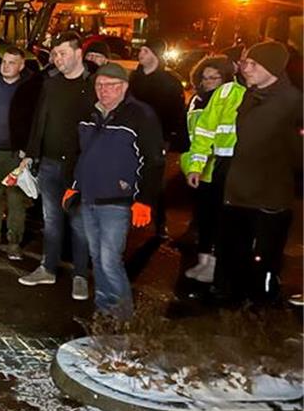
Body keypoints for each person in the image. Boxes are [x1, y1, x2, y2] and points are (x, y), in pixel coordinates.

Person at [71, 63, 164, 319]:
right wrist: (75, 186)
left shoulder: (139, 115)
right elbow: (82, 155)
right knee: (97, 257)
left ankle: (123, 315)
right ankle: (104, 308)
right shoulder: (90, 114)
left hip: (118, 200)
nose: (104, 91)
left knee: (110, 259)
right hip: (90, 196)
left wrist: (144, 200)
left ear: (124, 87)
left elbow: (153, 160)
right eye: (100, 85)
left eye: (110, 86)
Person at [212, 41, 302, 305]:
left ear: (272, 67)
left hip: (269, 196)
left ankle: (261, 305)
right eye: (245, 62)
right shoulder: (250, 96)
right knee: (232, 249)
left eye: (253, 63)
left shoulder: (294, 102)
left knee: (263, 255)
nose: (245, 68)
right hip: (238, 192)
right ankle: (230, 297)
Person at [18, 34, 95, 300]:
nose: (57, 59)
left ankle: (80, 276)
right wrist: (31, 153)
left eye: (62, 53)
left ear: (78, 53)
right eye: (55, 54)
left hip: (81, 167)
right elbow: (40, 118)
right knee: (51, 220)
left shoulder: (95, 85)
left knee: (79, 223)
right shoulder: (51, 84)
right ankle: (47, 268)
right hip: (49, 163)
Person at [0, 45, 42, 259]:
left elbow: (35, 121)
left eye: (12, 62)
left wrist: (27, 151)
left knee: (15, 201)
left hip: (16, 155)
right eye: (4, 62)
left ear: (21, 66)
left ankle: (14, 242)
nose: (6, 66)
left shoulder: (30, 88)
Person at [180, 55, 239, 283]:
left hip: (221, 169)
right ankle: (203, 260)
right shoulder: (197, 100)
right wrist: (190, 163)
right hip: (199, 168)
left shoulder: (229, 99)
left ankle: (214, 264)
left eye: (214, 77)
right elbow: (192, 135)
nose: (208, 82)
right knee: (203, 218)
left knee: (218, 219)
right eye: (204, 78)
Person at [129, 39, 190, 239]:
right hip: (132, 134)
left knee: (155, 179)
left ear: (155, 54)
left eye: (145, 51)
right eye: (141, 50)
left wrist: (170, 137)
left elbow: (177, 112)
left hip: (158, 137)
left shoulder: (169, 82)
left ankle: (160, 222)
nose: (141, 54)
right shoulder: (134, 79)